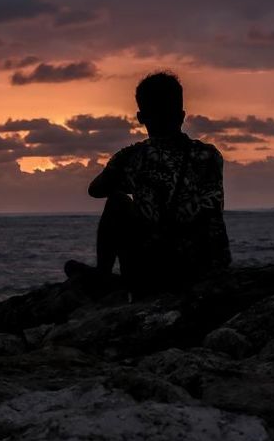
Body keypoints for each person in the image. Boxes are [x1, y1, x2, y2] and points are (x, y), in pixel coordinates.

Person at [84, 71, 230, 296]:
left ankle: (103, 277)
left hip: (156, 272)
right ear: (182, 115)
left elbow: (95, 190)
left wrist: (131, 183)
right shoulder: (210, 155)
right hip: (206, 267)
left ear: (140, 117)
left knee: (117, 202)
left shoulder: (132, 157)